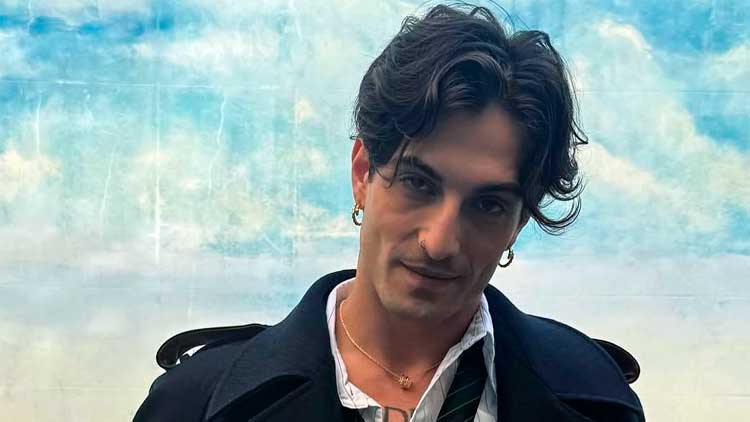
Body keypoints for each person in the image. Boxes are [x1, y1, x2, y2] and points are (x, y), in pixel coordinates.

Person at [134, 3, 645, 422]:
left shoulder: (598, 401)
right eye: (418, 184)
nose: (439, 242)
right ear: (362, 173)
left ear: (519, 223)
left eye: (488, 205)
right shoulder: (193, 404)